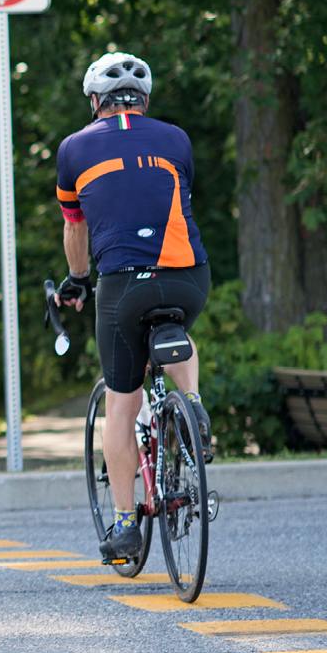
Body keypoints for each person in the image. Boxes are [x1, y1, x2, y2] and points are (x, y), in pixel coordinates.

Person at [52, 52, 212, 567]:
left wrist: (78, 281)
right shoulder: (176, 140)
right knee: (177, 328)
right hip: (190, 279)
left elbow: (76, 228)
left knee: (121, 405)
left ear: (94, 101)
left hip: (123, 287)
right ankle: (194, 407)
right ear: (145, 101)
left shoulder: (74, 149)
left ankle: (125, 525)